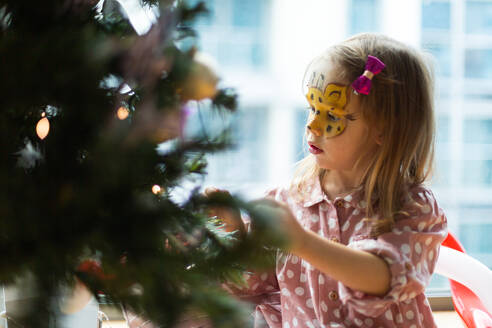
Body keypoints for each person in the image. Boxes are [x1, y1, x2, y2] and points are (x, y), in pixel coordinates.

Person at [205, 33, 448, 328]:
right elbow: (253, 283)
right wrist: (233, 237)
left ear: (384, 130)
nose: (312, 124)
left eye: (332, 115)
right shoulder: (287, 201)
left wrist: (302, 242)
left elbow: (387, 276)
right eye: (312, 108)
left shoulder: (412, 209)